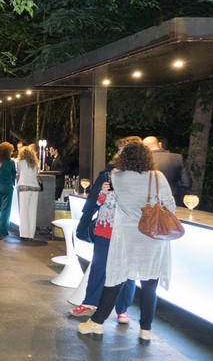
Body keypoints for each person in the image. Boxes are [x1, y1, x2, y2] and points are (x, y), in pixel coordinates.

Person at [78, 142, 175, 342]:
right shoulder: (158, 177)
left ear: (124, 158)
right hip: (152, 239)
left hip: (126, 238)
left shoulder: (117, 177)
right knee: (150, 285)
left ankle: (97, 323)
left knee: (116, 279)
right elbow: (170, 206)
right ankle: (145, 330)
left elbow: (107, 202)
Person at [71, 136, 140, 321]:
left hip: (127, 230)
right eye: (119, 149)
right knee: (99, 266)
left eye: (123, 149)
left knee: (127, 271)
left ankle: (122, 309)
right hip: (105, 226)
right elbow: (99, 200)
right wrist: (102, 193)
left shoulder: (142, 177)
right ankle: (89, 303)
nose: (119, 153)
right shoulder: (110, 171)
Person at [143, 136, 192, 206]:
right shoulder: (178, 158)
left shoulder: (142, 161)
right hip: (173, 200)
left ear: (144, 148)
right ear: (160, 144)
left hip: (148, 202)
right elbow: (187, 183)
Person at [0, 142, 16, 237]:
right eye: (11, 151)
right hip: (6, 187)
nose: (12, 153)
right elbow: (13, 174)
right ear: (7, 152)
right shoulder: (11, 162)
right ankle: (3, 230)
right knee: (6, 209)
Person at [16, 145, 40, 240]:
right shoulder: (35, 163)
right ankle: (31, 234)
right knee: (32, 212)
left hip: (24, 187)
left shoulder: (20, 163)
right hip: (35, 188)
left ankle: (24, 233)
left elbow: (18, 173)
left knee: (24, 211)